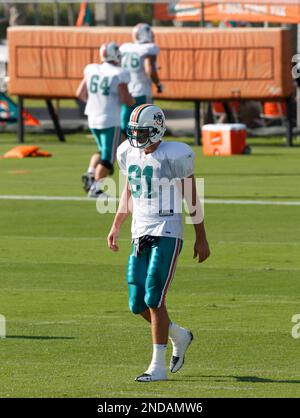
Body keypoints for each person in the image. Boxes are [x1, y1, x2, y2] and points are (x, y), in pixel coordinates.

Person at [107, 104, 210, 382]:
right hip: (140, 230)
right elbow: (128, 189)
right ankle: (179, 335)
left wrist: (201, 236)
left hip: (167, 228)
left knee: (154, 297)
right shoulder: (128, 153)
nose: (137, 138)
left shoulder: (174, 154)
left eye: (143, 133)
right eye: (135, 132)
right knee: (136, 302)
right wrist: (117, 224)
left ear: (158, 130)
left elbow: (191, 196)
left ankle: (158, 367)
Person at [76, 42, 135, 197]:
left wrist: (97, 101)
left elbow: (80, 94)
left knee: (103, 151)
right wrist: (132, 102)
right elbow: (127, 99)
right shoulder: (118, 73)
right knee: (109, 157)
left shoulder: (91, 69)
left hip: (93, 117)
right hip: (109, 118)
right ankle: (96, 188)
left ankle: (90, 174)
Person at [119, 23, 163, 136]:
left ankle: (124, 152)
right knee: (145, 128)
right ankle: (142, 153)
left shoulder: (125, 48)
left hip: (127, 94)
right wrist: (158, 84)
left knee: (125, 128)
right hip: (142, 92)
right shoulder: (149, 48)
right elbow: (149, 69)